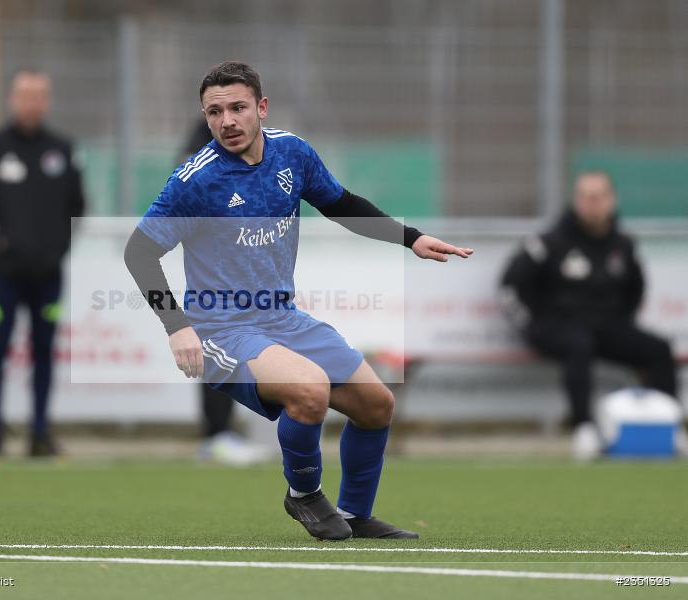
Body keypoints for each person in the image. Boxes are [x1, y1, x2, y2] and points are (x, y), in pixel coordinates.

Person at [124, 62, 472, 540]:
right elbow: (140, 251)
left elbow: (340, 204)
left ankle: (354, 514)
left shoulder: (292, 153)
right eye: (215, 112)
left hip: (282, 318)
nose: (227, 121)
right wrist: (176, 326)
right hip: (221, 329)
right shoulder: (195, 181)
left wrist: (410, 238)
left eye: (238, 108)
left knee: (376, 404)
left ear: (262, 108)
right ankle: (304, 494)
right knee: (309, 390)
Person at [501, 171, 678, 460]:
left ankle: (668, 426)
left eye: (598, 197)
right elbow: (512, 285)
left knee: (659, 349)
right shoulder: (550, 242)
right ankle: (583, 429)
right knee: (578, 344)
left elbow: (635, 288)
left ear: (611, 200)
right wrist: (531, 325)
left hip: (606, 327)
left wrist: (622, 321)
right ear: (576, 200)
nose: (591, 203)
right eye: (584, 197)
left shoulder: (623, 244)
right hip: (555, 327)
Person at [0, 69, 86, 457]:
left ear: (48, 101)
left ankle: (39, 433)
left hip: (48, 274)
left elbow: (78, 206)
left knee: (44, 351)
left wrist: (60, 245)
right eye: (26, 96)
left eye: (39, 96)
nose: (32, 104)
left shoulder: (64, 150)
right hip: (2, 274)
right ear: (12, 99)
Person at [180, 118, 269, 466]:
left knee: (235, 348)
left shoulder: (261, 139)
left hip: (244, 265)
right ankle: (216, 434)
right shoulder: (204, 141)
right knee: (217, 346)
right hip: (214, 268)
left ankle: (221, 432)